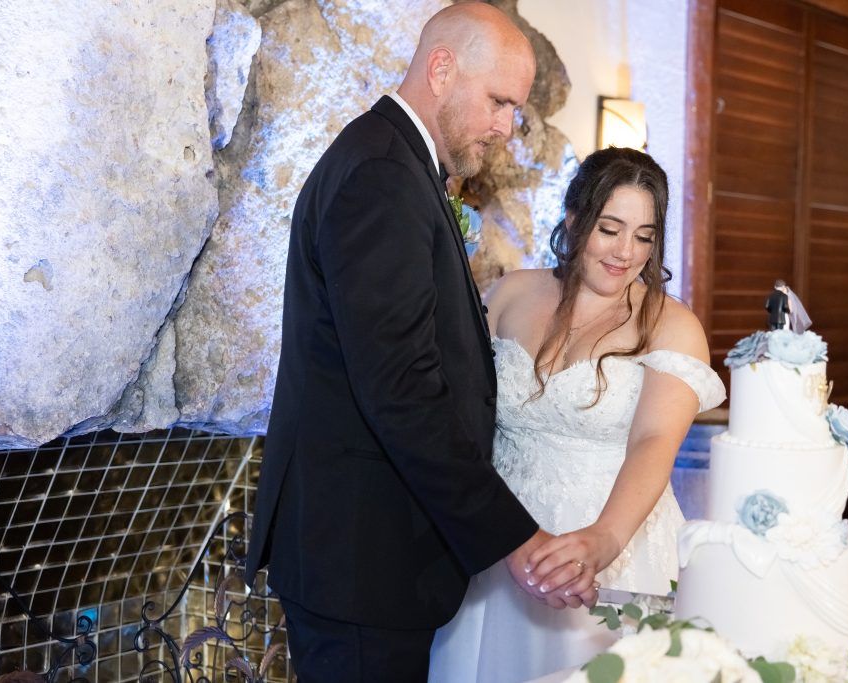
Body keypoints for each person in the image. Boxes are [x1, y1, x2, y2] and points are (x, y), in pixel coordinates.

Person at [244, 5, 596, 682]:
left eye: (515, 110)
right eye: (498, 102)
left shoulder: (393, 163)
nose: (505, 128)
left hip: (369, 555)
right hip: (359, 559)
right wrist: (516, 538)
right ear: (441, 69)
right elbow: (402, 387)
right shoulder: (382, 175)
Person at [428, 147, 727, 682]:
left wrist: (603, 540)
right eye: (610, 229)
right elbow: (464, 415)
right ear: (573, 219)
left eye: (644, 235)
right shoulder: (512, 293)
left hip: (614, 538)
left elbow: (654, 440)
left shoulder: (671, 324)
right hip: (501, 538)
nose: (626, 252)